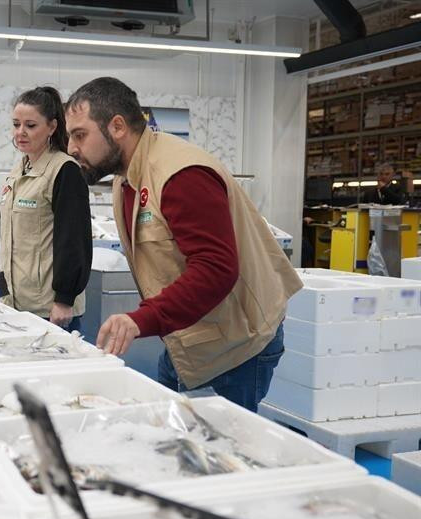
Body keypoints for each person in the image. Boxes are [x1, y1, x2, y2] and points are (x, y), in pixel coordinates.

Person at [64, 77, 303, 411]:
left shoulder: (181, 174)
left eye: (79, 135)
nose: (73, 148)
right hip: (189, 341)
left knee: (219, 455)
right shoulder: (126, 179)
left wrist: (140, 319)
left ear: (116, 126)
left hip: (235, 347)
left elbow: (216, 268)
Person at [0, 87, 92, 333]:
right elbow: (4, 236)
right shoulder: (19, 170)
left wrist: (64, 299)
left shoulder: (65, 170)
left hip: (49, 309)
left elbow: (74, 240)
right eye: (16, 124)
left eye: (30, 125)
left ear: (52, 127)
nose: (20, 133)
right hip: (14, 304)